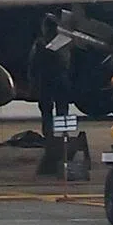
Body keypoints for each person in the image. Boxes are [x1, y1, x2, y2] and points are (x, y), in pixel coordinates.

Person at [28, 13, 71, 141]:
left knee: (47, 109)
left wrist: (32, 81)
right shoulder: (64, 42)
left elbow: (33, 64)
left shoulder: (40, 44)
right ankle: (63, 134)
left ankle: (50, 135)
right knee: (62, 109)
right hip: (59, 78)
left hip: (46, 79)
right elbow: (67, 62)